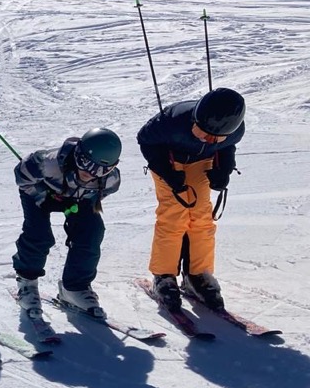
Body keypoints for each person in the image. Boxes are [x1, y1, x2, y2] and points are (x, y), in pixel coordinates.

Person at [137, 87, 245, 310]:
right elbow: (145, 140)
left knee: (202, 218)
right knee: (173, 216)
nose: (209, 139)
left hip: (201, 162)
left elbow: (227, 147)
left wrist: (223, 170)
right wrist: (167, 172)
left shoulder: (234, 130)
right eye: (203, 133)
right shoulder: (171, 122)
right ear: (195, 119)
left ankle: (198, 275)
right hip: (168, 161)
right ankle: (164, 276)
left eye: (216, 138)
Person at [12, 128, 122, 318]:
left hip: (75, 199)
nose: (90, 172)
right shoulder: (47, 163)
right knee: (38, 234)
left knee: (92, 231)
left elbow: (100, 194)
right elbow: (22, 177)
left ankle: (75, 288)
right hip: (39, 193)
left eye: (102, 169)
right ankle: (27, 283)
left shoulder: (110, 180)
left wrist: (74, 202)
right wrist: (42, 196)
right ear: (78, 153)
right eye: (86, 163)